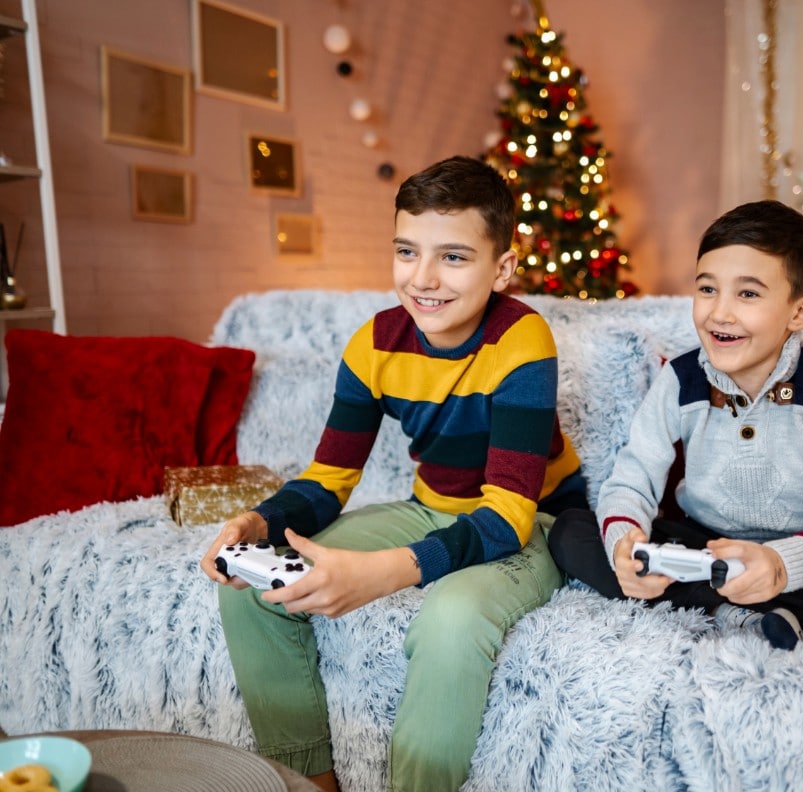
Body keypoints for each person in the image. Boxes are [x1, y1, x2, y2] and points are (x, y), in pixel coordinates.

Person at [200, 155, 588, 792]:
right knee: (248, 586)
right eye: (408, 251)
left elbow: (508, 516)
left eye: (454, 257)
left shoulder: (523, 339)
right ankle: (307, 782)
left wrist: (380, 573)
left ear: (503, 268)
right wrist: (258, 521)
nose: (424, 279)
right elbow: (328, 478)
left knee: (453, 619)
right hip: (429, 505)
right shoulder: (373, 343)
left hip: (528, 522)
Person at [547, 199, 803, 651]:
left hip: (792, 554)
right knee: (571, 530)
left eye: (748, 294)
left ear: (799, 313)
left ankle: (759, 599)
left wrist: (782, 564)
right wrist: (628, 548)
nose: (720, 313)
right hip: (701, 549)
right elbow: (632, 479)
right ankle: (749, 607)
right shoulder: (680, 380)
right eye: (707, 289)